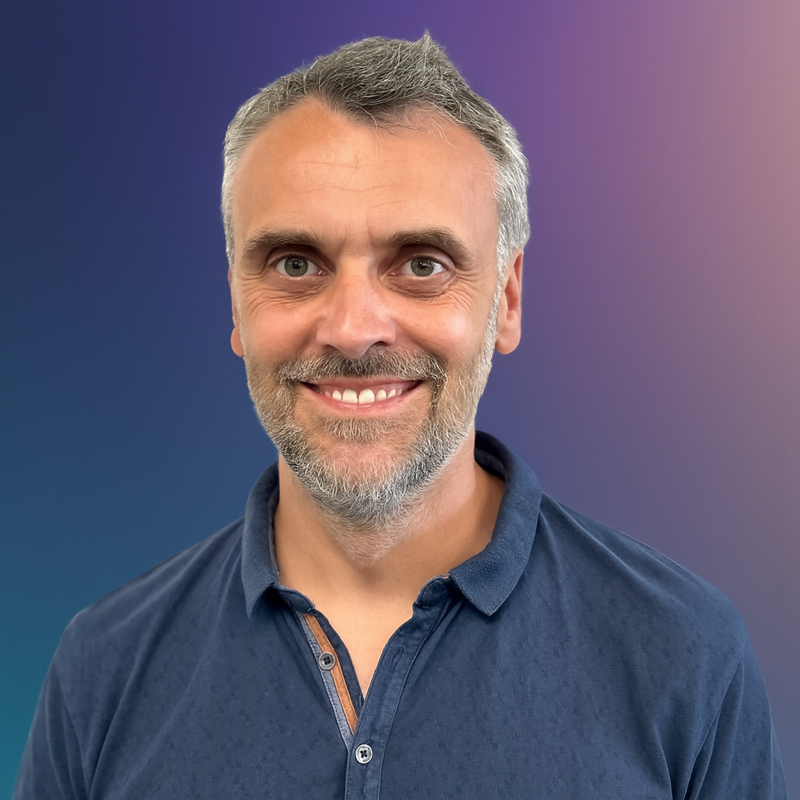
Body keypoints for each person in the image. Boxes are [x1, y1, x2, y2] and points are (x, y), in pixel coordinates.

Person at [15, 34, 786, 799]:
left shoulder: (685, 655)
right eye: (296, 264)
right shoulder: (101, 673)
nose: (354, 329)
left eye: (422, 265)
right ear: (237, 304)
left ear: (507, 298)